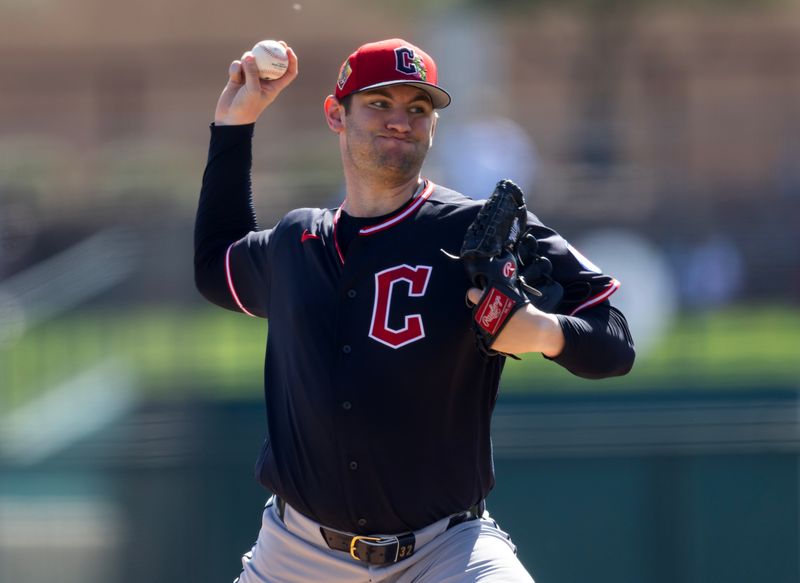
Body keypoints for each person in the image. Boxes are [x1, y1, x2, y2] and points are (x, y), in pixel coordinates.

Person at [194, 38, 634, 583]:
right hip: (296, 555)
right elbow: (216, 269)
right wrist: (234, 126)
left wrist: (545, 332)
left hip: (446, 552)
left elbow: (614, 338)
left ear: (433, 126)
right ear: (337, 114)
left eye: (418, 108)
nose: (400, 120)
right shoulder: (296, 242)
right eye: (379, 103)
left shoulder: (474, 230)